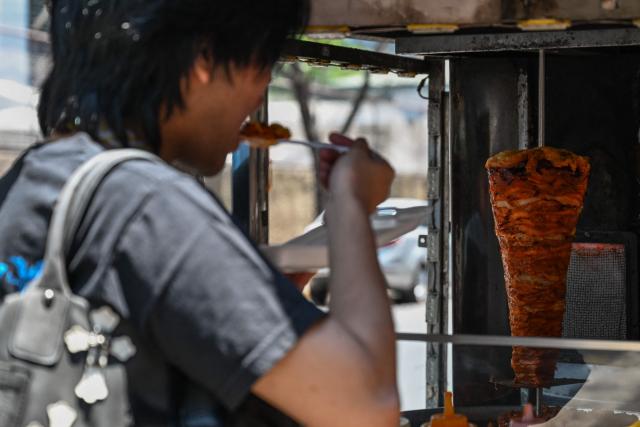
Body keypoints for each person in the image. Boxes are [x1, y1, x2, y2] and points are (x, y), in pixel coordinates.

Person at [0, 0, 399, 425]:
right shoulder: (150, 206)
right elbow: (367, 406)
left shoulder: (29, 180)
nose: (261, 92)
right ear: (206, 58)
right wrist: (350, 203)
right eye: (264, 64)